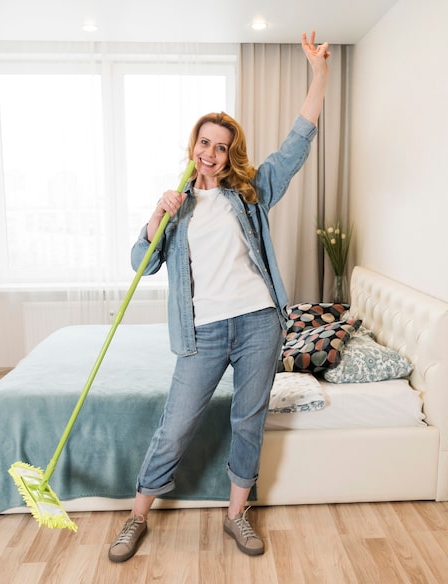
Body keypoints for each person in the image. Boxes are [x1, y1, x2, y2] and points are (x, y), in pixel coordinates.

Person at [108, 31, 330, 563]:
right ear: (193, 147)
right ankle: (136, 517)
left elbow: (296, 144)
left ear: (230, 154)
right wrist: (157, 214)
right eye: (204, 143)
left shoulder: (249, 193)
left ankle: (236, 514)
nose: (210, 153)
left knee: (247, 420)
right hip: (202, 332)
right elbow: (142, 262)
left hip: (258, 323)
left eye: (221, 146)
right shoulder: (177, 205)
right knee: (176, 425)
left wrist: (319, 74)